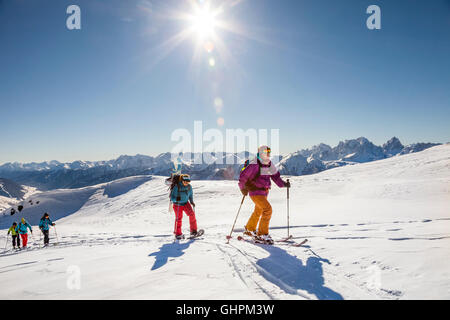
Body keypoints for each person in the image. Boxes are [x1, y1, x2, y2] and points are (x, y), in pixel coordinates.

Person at [238, 145, 290, 244]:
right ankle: (262, 234)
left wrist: (283, 184)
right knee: (267, 209)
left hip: (264, 191)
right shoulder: (254, 164)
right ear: (261, 153)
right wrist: (242, 188)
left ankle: (249, 229)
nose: (268, 154)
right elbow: (243, 176)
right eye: (266, 152)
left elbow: (275, 176)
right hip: (255, 192)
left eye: (269, 152)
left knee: (259, 210)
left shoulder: (269, 164)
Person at [170, 174, 198, 240]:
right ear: (182, 180)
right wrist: (176, 199)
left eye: (188, 182)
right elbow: (172, 197)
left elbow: (190, 194)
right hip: (177, 204)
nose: (186, 183)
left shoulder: (189, 187)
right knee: (178, 218)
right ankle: (178, 234)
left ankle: (193, 231)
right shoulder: (177, 187)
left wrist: (191, 201)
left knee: (192, 214)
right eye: (185, 181)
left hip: (185, 203)